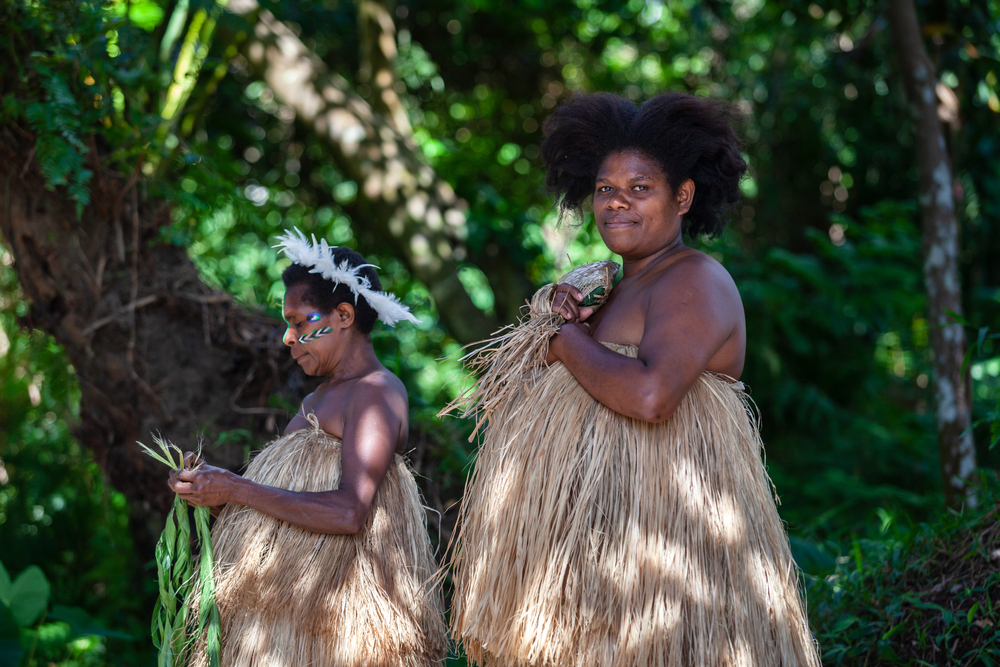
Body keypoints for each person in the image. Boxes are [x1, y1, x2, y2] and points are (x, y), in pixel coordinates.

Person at [446, 92, 822, 667]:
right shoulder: (612, 288)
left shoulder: (693, 279)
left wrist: (563, 338)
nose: (617, 203)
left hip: (663, 561)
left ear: (683, 195)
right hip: (589, 555)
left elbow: (651, 396)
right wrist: (554, 321)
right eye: (604, 190)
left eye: (639, 188)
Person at [168, 229, 447, 667]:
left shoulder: (375, 392)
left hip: (339, 632)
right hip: (285, 627)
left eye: (299, 322)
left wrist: (237, 489)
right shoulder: (314, 403)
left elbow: (348, 512)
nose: (288, 337)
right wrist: (211, 489)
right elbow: (273, 512)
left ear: (343, 315)